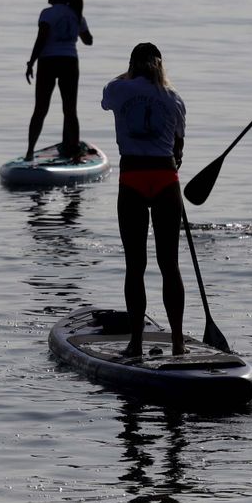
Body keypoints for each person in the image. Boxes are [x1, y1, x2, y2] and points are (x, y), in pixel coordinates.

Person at [101, 43, 187, 357]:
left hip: (133, 179)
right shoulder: (174, 98)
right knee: (170, 266)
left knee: (135, 266)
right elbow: (179, 149)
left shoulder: (118, 89)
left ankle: (136, 343)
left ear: (132, 65)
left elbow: (106, 99)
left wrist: (130, 73)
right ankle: (178, 343)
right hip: (166, 179)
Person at [25, 0, 93, 161]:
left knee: (40, 108)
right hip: (69, 62)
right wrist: (76, 23)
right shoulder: (77, 15)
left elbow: (41, 39)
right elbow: (88, 41)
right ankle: (74, 150)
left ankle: (30, 152)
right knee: (70, 110)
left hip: (48, 62)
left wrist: (31, 62)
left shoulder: (47, 13)